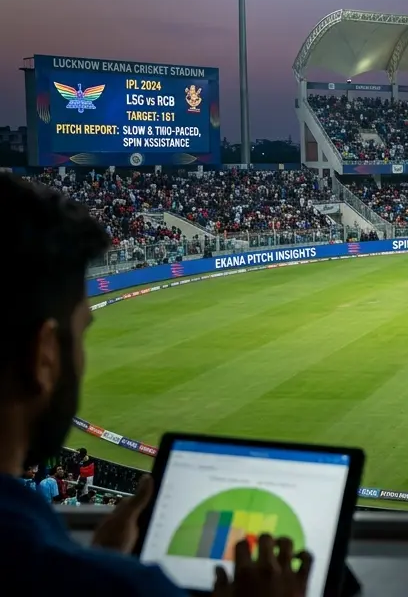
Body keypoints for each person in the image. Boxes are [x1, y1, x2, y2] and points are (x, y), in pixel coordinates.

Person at [0, 174, 311, 596]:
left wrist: (103, 558)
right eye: (81, 334)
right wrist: (108, 574)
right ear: (45, 356)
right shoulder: (106, 584)